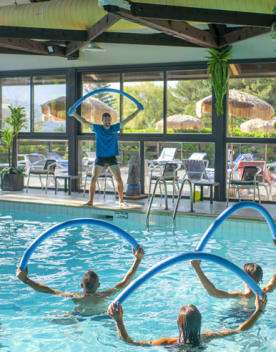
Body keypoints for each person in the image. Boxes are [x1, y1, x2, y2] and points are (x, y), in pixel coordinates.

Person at [16, 246, 144, 316]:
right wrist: (138, 259)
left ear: (81, 285)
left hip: (79, 316)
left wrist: (26, 280)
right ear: (99, 285)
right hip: (101, 315)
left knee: (52, 317)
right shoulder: (105, 295)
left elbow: (48, 290)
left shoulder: (75, 297)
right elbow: (126, 281)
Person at [107, 293, 266, 347]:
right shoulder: (206, 337)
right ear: (200, 323)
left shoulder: (169, 343)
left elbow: (130, 343)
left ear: (178, 324)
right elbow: (240, 329)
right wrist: (259, 310)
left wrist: (119, 321)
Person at [69, 105, 140, 207]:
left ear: (110, 120)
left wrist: (137, 110)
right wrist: (74, 114)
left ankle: (121, 201)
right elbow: (84, 122)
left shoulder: (115, 128)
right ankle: (91, 201)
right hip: (100, 158)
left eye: (109, 120)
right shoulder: (97, 128)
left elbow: (128, 119)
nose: (107, 122)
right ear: (102, 121)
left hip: (111, 157)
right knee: (93, 179)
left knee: (119, 179)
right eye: (105, 120)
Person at [191, 240, 276, 305]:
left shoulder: (241, 296)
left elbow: (213, 292)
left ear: (243, 277)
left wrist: (196, 267)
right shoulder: (264, 292)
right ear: (260, 278)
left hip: (237, 317)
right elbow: (274, 279)